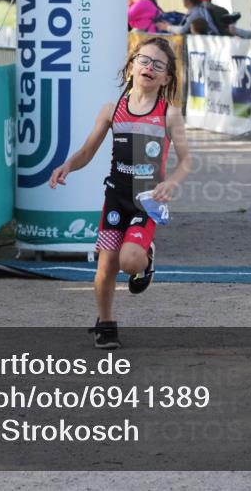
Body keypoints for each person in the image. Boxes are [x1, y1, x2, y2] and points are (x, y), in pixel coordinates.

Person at [49, 37, 191, 349]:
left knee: (129, 262)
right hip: (116, 197)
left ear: (167, 78)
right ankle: (106, 323)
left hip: (146, 199)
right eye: (143, 60)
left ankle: (145, 257)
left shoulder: (169, 115)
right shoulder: (112, 110)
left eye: (158, 65)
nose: (149, 68)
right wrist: (67, 166)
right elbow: (88, 150)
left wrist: (172, 182)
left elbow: (187, 160)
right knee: (106, 267)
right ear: (130, 67)